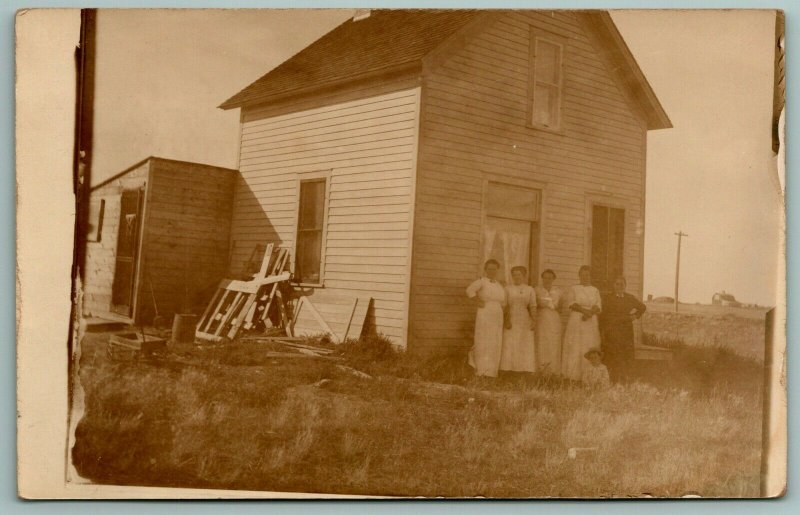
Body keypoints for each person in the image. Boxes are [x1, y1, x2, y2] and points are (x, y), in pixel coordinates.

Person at [600, 276, 647, 383]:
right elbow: (603, 316)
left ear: (625, 286)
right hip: (612, 330)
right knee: (612, 355)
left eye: (622, 284)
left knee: (625, 355)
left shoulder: (629, 298)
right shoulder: (608, 298)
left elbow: (643, 307)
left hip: (626, 331)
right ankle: (611, 380)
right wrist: (603, 331)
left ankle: (625, 381)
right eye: (617, 284)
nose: (619, 286)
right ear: (613, 285)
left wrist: (635, 316)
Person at [466, 259, 507, 377]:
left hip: (497, 314)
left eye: (494, 269)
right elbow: (469, 291)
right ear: (485, 270)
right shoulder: (481, 281)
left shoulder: (499, 284)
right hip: (485, 312)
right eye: (489, 269)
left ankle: (492, 373)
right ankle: (481, 371)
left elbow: (503, 301)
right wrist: (477, 301)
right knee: (483, 340)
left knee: (495, 341)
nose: (492, 271)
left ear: (497, 270)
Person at [561, 265, 602, 381]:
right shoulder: (574, 288)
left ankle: (589, 377)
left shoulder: (595, 290)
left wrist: (590, 313)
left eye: (587, 275)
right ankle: (574, 376)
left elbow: (598, 306)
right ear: (579, 276)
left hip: (591, 322)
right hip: (577, 320)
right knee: (576, 346)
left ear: (591, 276)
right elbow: (572, 304)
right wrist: (585, 311)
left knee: (589, 345)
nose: (585, 277)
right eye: (583, 275)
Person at [499, 266, 537, 373]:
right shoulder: (507, 288)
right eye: (514, 275)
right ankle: (508, 369)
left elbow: (533, 306)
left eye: (519, 274)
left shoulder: (529, 289)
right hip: (512, 317)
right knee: (510, 342)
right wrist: (506, 320)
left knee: (524, 342)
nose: (516, 277)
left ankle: (524, 370)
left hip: (525, 317)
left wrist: (534, 321)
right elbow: (505, 305)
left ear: (524, 276)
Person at [534, 269, 564, 377]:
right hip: (542, 318)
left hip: (554, 319)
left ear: (553, 279)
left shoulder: (558, 291)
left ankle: (553, 372)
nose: (547, 280)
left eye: (550, 278)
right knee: (542, 343)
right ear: (542, 278)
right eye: (545, 277)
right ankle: (541, 372)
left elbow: (560, 307)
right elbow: (536, 304)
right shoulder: (537, 290)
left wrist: (552, 305)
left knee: (553, 344)